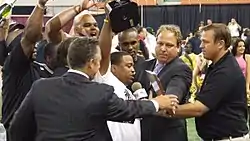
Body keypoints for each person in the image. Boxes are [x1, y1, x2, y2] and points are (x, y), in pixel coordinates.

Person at [9, 37, 178, 141]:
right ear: (91, 63)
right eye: (98, 61)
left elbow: (17, 128)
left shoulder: (41, 87)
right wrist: (156, 103)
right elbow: (128, 109)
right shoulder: (99, 92)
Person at [170, 23, 249, 141]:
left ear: (220, 44)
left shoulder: (225, 71)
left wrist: (166, 109)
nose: (201, 46)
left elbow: (199, 108)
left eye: (206, 42)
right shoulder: (218, 65)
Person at [1, 0, 56, 132]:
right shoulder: (14, 66)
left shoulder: (38, 67)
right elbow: (30, 36)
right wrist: (40, 4)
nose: (35, 45)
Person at [135, 24, 192, 141]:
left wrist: (147, 105)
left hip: (168, 135)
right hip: (145, 133)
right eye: (160, 43)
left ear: (178, 47)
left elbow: (171, 99)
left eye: (169, 45)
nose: (163, 48)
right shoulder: (145, 65)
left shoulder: (181, 69)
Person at [104, 51, 140, 141]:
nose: (133, 70)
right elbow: (104, 51)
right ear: (113, 68)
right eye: (128, 66)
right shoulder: (108, 82)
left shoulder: (127, 90)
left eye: (133, 66)